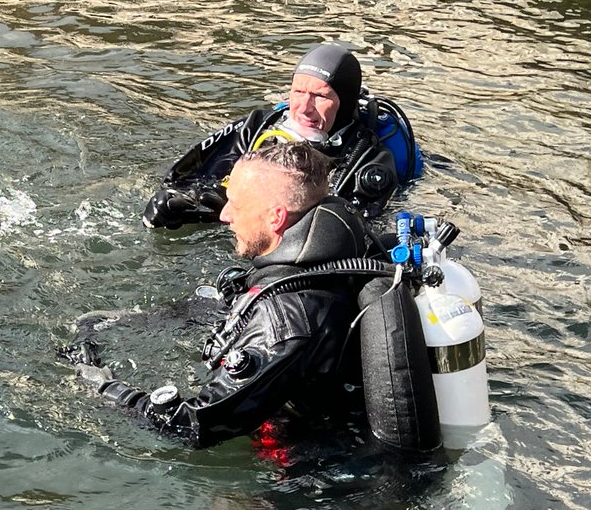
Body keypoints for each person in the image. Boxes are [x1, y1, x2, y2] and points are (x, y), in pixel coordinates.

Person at [72, 139, 378, 450]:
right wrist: (131, 321)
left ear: (276, 217)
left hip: (309, 475)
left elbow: (192, 425)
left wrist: (105, 388)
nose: (225, 215)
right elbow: (231, 306)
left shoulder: (286, 321)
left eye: (238, 205)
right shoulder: (332, 256)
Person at [142, 43, 420, 229]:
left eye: (320, 96)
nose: (304, 107)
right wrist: (188, 204)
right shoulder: (260, 127)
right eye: (298, 92)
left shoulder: (369, 159)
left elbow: (344, 231)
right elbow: (203, 177)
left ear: (344, 103)